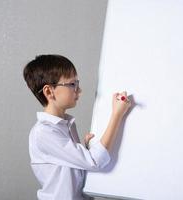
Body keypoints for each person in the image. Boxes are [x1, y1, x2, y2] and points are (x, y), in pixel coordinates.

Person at [23, 54, 131, 200]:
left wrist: (84, 149)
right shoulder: (44, 132)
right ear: (49, 91)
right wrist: (117, 115)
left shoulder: (65, 124)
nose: (79, 90)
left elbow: (73, 168)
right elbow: (94, 162)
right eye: (72, 84)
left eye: (77, 83)